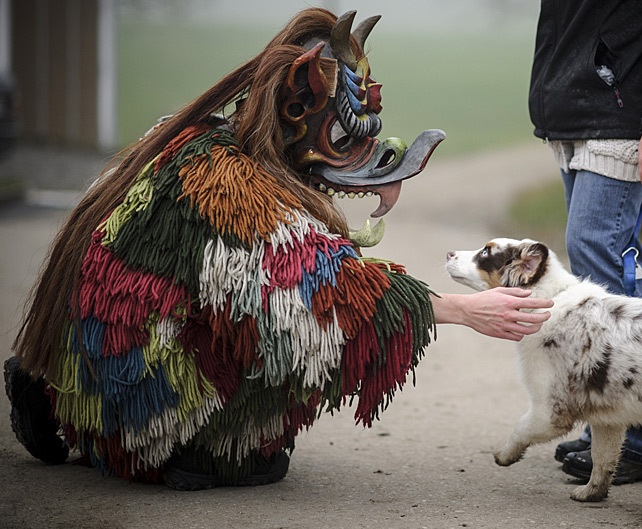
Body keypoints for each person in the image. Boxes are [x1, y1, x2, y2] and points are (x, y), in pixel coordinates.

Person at [4, 7, 552, 491]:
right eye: (342, 139)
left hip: (113, 365)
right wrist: (461, 309)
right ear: (294, 112)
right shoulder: (225, 183)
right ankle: (136, 429)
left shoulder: (203, 140)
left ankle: (54, 392)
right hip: (146, 395)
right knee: (257, 414)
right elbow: (323, 292)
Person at [528, 0, 642, 483]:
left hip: (620, 108)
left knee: (599, 252)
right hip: (578, 104)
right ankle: (623, 428)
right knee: (606, 261)